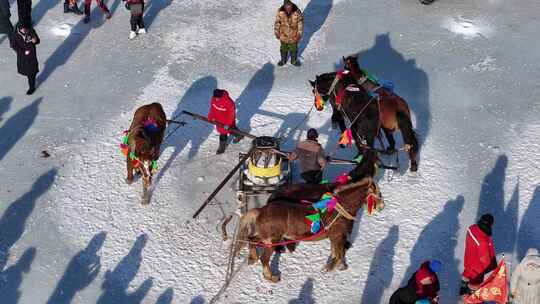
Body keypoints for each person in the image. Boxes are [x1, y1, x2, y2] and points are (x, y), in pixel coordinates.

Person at [460, 213, 497, 295]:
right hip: (478, 267)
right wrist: (490, 266)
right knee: (475, 281)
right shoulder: (483, 241)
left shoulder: (472, 228)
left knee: (467, 272)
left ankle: (463, 288)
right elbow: (484, 260)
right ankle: (473, 296)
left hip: (469, 258)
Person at [10, 22, 40, 95]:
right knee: (29, 72)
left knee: (32, 72)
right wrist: (23, 52)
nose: (25, 30)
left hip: (32, 56)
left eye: (25, 29)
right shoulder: (15, 35)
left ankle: (32, 87)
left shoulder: (31, 31)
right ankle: (32, 85)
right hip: (23, 57)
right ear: (19, 29)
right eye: (23, 29)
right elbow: (13, 45)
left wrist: (35, 40)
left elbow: (37, 40)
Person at [207, 89, 241, 154]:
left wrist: (228, 124)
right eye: (215, 97)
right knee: (223, 132)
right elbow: (212, 108)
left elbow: (231, 114)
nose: (216, 99)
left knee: (230, 130)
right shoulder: (213, 99)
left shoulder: (229, 102)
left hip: (228, 120)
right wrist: (210, 116)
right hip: (219, 119)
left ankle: (239, 135)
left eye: (218, 98)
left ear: (221, 96)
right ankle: (222, 147)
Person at [274, 0, 303, 67]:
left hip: (294, 35)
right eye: (286, 6)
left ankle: (294, 61)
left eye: (289, 6)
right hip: (283, 34)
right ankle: (283, 60)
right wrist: (276, 32)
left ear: (291, 4)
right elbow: (277, 22)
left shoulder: (297, 11)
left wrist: (299, 33)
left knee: (293, 48)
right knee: (283, 47)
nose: (288, 8)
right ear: (284, 5)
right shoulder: (280, 11)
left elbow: (300, 23)